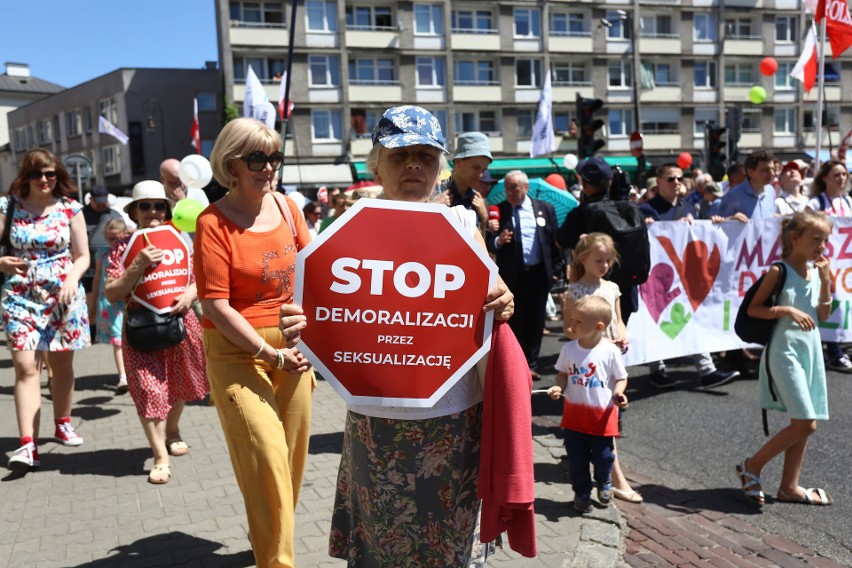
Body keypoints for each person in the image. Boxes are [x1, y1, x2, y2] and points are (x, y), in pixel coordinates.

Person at [328, 105, 514, 566]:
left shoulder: (465, 226)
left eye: (425, 156)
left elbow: (489, 298)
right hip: (377, 424)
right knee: (381, 546)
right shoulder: (347, 231)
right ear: (376, 163)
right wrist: (298, 323)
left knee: (448, 545)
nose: (413, 164)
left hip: (451, 421)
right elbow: (322, 310)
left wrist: (505, 299)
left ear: (440, 168)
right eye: (400, 154)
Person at [195, 117, 315, 568]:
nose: (269, 168)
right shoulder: (212, 222)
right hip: (238, 353)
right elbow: (215, 306)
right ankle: (277, 561)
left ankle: (266, 535)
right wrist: (269, 354)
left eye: (274, 157)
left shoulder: (288, 209)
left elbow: (316, 271)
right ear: (232, 164)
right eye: (258, 158)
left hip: (294, 354)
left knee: (289, 466)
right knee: (266, 459)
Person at [104, 180, 209, 484]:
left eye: (159, 205)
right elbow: (112, 292)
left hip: (179, 321)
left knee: (180, 384)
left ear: (167, 210)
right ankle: (159, 455)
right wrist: (137, 265)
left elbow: (199, 276)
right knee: (148, 389)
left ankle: (173, 429)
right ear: (134, 210)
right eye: (145, 205)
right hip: (141, 325)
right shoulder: (123, 245)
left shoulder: (180, 238)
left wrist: (190, 296)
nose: (152, 211)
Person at [737, 210, 833, 507]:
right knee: (806, 422)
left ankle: (789, 486)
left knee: (803, 420)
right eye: (816, 239)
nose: (822, 246)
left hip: (810, 350)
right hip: (785, 350)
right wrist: (786, 310)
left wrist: (826, 280)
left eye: (826, 240)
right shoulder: (779, 271)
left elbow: (823, 316)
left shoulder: (816, 271)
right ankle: (751, 465)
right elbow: (754, 309)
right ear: (795, 239)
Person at [2, 149, 91, 471]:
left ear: (58, 176)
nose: (44, 180)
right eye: (38, 173)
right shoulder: (8, 206)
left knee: (62, 366)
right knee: (27, 368)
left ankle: (63, 421)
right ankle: (28, 445)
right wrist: (1, 262)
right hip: (20, 296)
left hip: (62, 298)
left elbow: (82, 255)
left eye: (50, 174)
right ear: (26, 175)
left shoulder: (70, 208)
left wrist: (71, 278)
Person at [640, 163, 740, 389]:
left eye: (679, 179)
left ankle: (707, 371)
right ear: (659, 183)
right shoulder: (646, 210)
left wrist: (714, 222)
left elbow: (701, 234)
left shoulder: (689, 208)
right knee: (656, 321)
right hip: (658, 277)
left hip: (685, 275)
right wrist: (651, 226)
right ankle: (657, 369)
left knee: (693, 318)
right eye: (670, 179)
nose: (676, 183)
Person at [562, 233, 643, 503]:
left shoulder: (611, 288)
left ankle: (608, 476)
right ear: (583, 259)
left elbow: (619, 320)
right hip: (588, 360)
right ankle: (610, 479)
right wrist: (600, 339)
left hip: (610, 359)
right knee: (599, 419)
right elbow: (570, 329)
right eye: (599, 260)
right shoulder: (575, 291)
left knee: (609, 417)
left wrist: (622, 335)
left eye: (608, 260)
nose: (604, 265)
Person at [547, 295, 629, 513]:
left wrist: (619, 393)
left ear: (598, 326)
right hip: (574, 419)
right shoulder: (569, 349)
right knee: (577, 461)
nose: (571, 325)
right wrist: (558, 388)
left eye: (578, 322)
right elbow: (563, 374)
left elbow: (621, 377)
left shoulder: (610, 351)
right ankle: (582, 494)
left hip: (602, 419)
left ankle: (604, 482)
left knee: (604, 458)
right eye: (571, 320)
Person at [487, 169, 563, 380]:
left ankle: (532, 363)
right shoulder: (498, 211)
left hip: (538, 274)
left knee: (536, 320)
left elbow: (554, 242)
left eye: (514, 188)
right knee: (514, 320)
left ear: (526, 188)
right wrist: (498, 240)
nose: (510, 192)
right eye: (507, 188)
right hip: (512, 275)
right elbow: (487, 244)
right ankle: (516, 362)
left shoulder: (545, 209)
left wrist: (556, 270)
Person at [805, 159, 852, 373]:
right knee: (826, 302)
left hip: (844, 265)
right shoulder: (816, 203)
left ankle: (837, 348)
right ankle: (833, 352)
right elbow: (802, 225)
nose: (842, 178)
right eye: (837, 175)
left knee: (842, 304)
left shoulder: (848, 202)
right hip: (823, 262)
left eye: (844, 174)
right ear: (825, 178)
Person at [91, 218, 129, 393]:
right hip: (108, 303)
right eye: (109, 238)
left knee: (129, 339)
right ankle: (123, 376)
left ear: (124, 235)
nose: (112, 242)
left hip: (127, 301)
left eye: (115, 238)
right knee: (117, 341)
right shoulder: (102, 254)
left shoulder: (129, 252)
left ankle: (131, 372)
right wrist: (93, 301)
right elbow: (98, 278)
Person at [81, 185, 123, 321]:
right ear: (90, 199)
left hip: (111, 267)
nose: (101, 205)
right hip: (88, 269)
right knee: (90, 303)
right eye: (97, 202)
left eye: (103, 201)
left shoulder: (114, 215)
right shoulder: (82, 215)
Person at [444, 131, 492, 230]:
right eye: (475, 167)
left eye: (483, 170)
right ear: (458, 162)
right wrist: (433, 208)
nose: (480, 175)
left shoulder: (478, 200)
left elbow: (480, 245)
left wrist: (484, 220)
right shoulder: (436, 193)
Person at [714, 150, 776, 222]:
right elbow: (719, 223)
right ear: (750, 172)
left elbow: (771, 215)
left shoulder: (770, 191)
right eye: (765, 170)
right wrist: (732, 218)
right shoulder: (734, 195)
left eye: (773, 169)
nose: (772, 173)